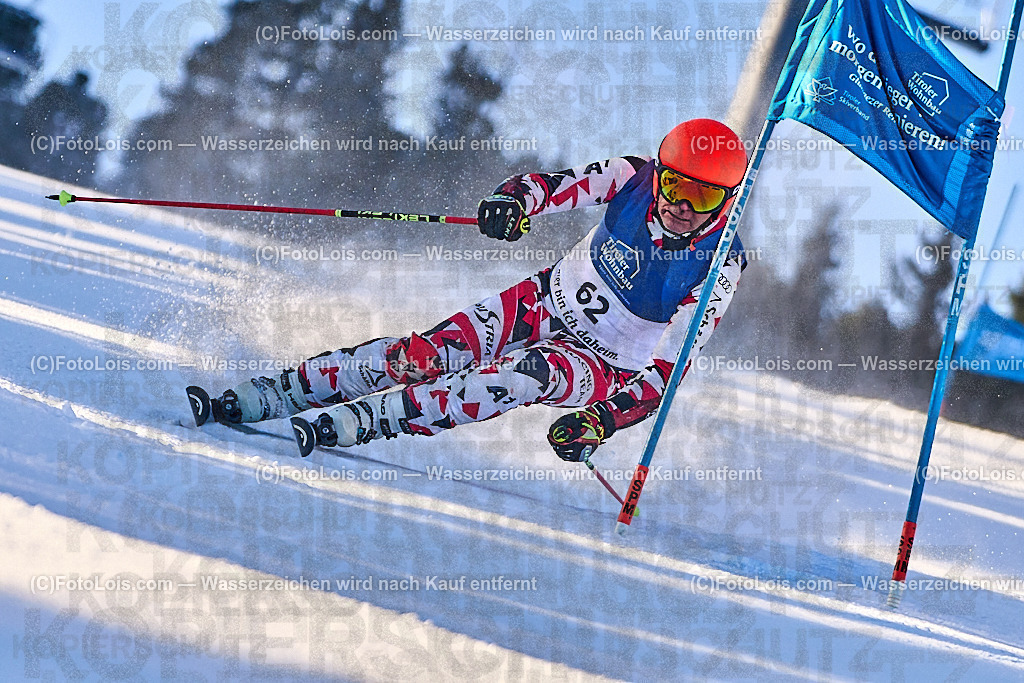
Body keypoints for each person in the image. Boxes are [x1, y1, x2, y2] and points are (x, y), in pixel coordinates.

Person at [207, 118, 749, 461]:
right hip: (542, 301)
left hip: (604, 362)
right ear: (659, 174)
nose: (682, 206)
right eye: (676, 186)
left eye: (702, 199)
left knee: (520, 376)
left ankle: (376, 420)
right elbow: (548, 187)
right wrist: (512, 202)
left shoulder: (720, 263)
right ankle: (278, 392)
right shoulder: (630, 175)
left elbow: (670, 370)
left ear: (726, 203)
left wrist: (601, 421)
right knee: (419, 357)